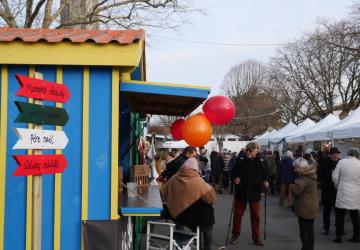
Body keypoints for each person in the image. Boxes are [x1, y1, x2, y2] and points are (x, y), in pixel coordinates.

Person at [162, 157, 216, 250]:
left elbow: (163, 191)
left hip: (178, 216)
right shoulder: (199, 181)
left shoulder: (174, 178)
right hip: (196, 218)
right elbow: (210, 199)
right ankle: (206, 247)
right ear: (196, 168)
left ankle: (196, 242)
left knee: (199, 221)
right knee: (207, 222)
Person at [229, 142, 268, 246]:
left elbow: (265, 174)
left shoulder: (262, 161)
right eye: (247, 150)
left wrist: (265, 181)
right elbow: (232, 172)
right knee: (237, 215)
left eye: (250, 150)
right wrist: (235, 178)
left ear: (257, 150)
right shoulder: (240, 160)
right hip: (241, 191)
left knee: (255, 216)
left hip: (255, 192)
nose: (248, 152)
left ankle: (256, 237)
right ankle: (235, 235)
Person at [332, 147, 360, 243]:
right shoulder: (359, 164)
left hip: (343, 192)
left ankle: (338, 237)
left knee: (340, 216)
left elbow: (335, 176)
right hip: (356, 193)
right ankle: (356, 236)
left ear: (348, 153)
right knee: (355, 216)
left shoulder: (342, 162)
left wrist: (337, 186)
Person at [291, 157, 319, 250]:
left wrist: (293, 187)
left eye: (296, 167)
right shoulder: (311, 174)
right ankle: (310, 248)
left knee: (304, 231)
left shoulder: (303, 178)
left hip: (304, 207)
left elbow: (296, 192)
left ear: (300, 167)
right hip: (312, 206)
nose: (294, 170)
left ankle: (306, 248)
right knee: (310, 230)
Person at [318, 147, 341, 235]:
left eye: (337, 154)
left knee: (339, 212)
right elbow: (319, 174)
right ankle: (326, 227)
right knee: (326, 211)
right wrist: (330, 174)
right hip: (327, 190)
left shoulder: (341, 162)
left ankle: (339, 229)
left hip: (338, 191)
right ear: (330, 155)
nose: (335, 155)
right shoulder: (324, 162)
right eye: (334, 154)